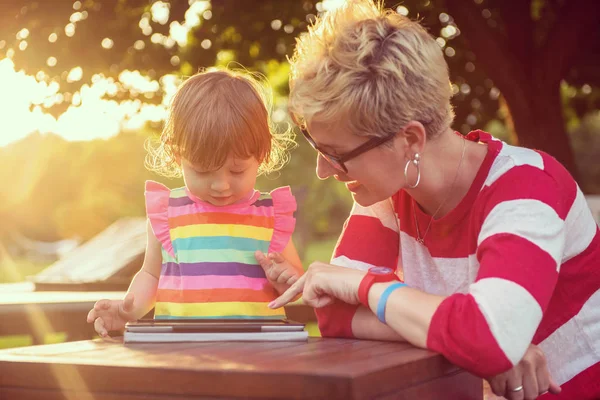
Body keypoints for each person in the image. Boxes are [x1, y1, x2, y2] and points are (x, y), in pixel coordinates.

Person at [268, 1, 600, 399]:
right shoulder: (388, 192)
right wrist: (467, 338)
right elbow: (333, 312)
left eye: (337, 154)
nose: (324, 170)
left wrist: (364, 286)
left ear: (409, 140)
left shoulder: (527, 187)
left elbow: (487, 340)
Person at [87, 68, 304, 337]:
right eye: (202, 171)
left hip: (256, 349)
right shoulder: (167, 213)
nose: (220, 185)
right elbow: (151, 276)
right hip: (180, 346)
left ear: (261, 154)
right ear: (178, 156)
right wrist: (125, 310)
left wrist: (286, 279)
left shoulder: (271, 217)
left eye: (237, 171)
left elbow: (295, 285)